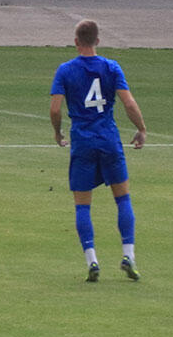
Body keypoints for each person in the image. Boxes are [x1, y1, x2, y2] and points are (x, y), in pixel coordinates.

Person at [49, 19, 147, 282]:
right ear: (98, 41)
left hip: (82, 141)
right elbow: (129, 103)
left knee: (83, 205)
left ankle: (92, 260)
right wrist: (141, 128)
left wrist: (57, 132)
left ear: (76, 42)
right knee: (122, 199)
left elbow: (55, 109)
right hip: (108, 139)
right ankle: (128, 255)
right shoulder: (111, 67)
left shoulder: (65, 70)